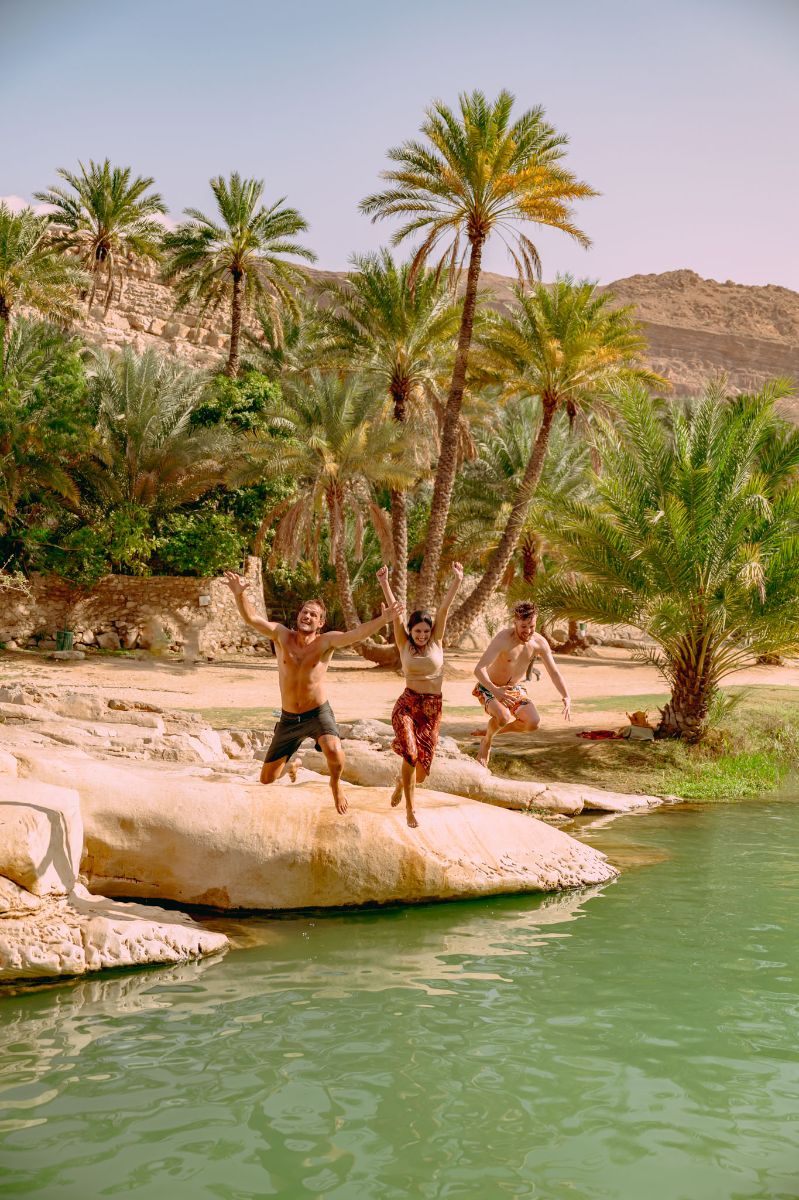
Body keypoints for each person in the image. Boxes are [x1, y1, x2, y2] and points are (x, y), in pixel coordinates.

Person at [224, 571, 401, 814]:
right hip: (289, 718)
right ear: (298, 616)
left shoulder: (325, 642)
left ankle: (335, 784)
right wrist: (240, 594)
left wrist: (383, 620)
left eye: (313, 615)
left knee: (334, 752)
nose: (307, 616)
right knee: (267, 778)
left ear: (321, 623)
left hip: (317, 714)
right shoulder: (281, 635)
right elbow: (252, 618)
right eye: (304, 612)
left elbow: (355, 635)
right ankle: (295, 764)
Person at [376, 561, 464, 827]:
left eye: (426, 631)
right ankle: (410, 811)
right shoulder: (403, 643)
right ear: (411, 632)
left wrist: (457, 581)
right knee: (411, 756)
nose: (423, 635)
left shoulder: (437, 639)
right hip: (407, 705)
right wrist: (384, 582)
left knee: (421, 772)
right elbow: (396, 615)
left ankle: (400, 785)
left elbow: (444, 609)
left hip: (432, 710)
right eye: (418, 631)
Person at [473, 599, 571, 769]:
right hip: (490, 687)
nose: (528, 631)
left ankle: (491, 732)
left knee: (533, 723)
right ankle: (487, 741)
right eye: (523, 626)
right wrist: (495, 691)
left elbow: (554, 672)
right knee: (503, 717)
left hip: (514, 689)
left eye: (532, 626)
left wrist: (566, 696)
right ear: (515, 622)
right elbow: (479, 669)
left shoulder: (539, 642)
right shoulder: (503, 638)